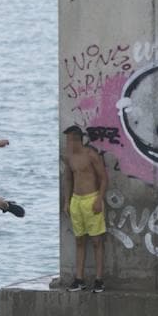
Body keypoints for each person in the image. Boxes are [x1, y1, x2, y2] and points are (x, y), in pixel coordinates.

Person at [63, 125, 107, 292]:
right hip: (76, 201)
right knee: (79, 240)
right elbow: (68, 179)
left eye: (68, 140)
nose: (67, 143)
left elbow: (103, 179)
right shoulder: (69, 157)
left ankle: (99, 279)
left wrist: (98, 200)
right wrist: (67, 201)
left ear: (76, 139)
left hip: (91, 200)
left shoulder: (91, 155)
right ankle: (79, 279)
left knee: (96, 241)